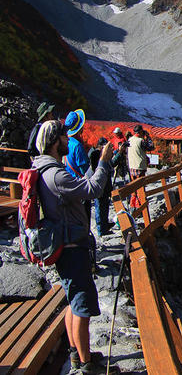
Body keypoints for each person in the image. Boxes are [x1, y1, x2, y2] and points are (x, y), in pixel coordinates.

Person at [32, 120, 118, 374]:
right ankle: (86, 365)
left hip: (64, 244)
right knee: (82, 303)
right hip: (72, 246)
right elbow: (92, 190)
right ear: (53, 142)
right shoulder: (56, 174)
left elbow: (81, 188)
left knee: (72, 300)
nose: (67, 140)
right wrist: (103, 161)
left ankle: (77, 353)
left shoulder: (45, 169)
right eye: (62, 137)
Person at [63, 110, 89, 179]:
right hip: (78, 182)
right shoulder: (77, 145)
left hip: (68, 179)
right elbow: (84, 171)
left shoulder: (65, 141)